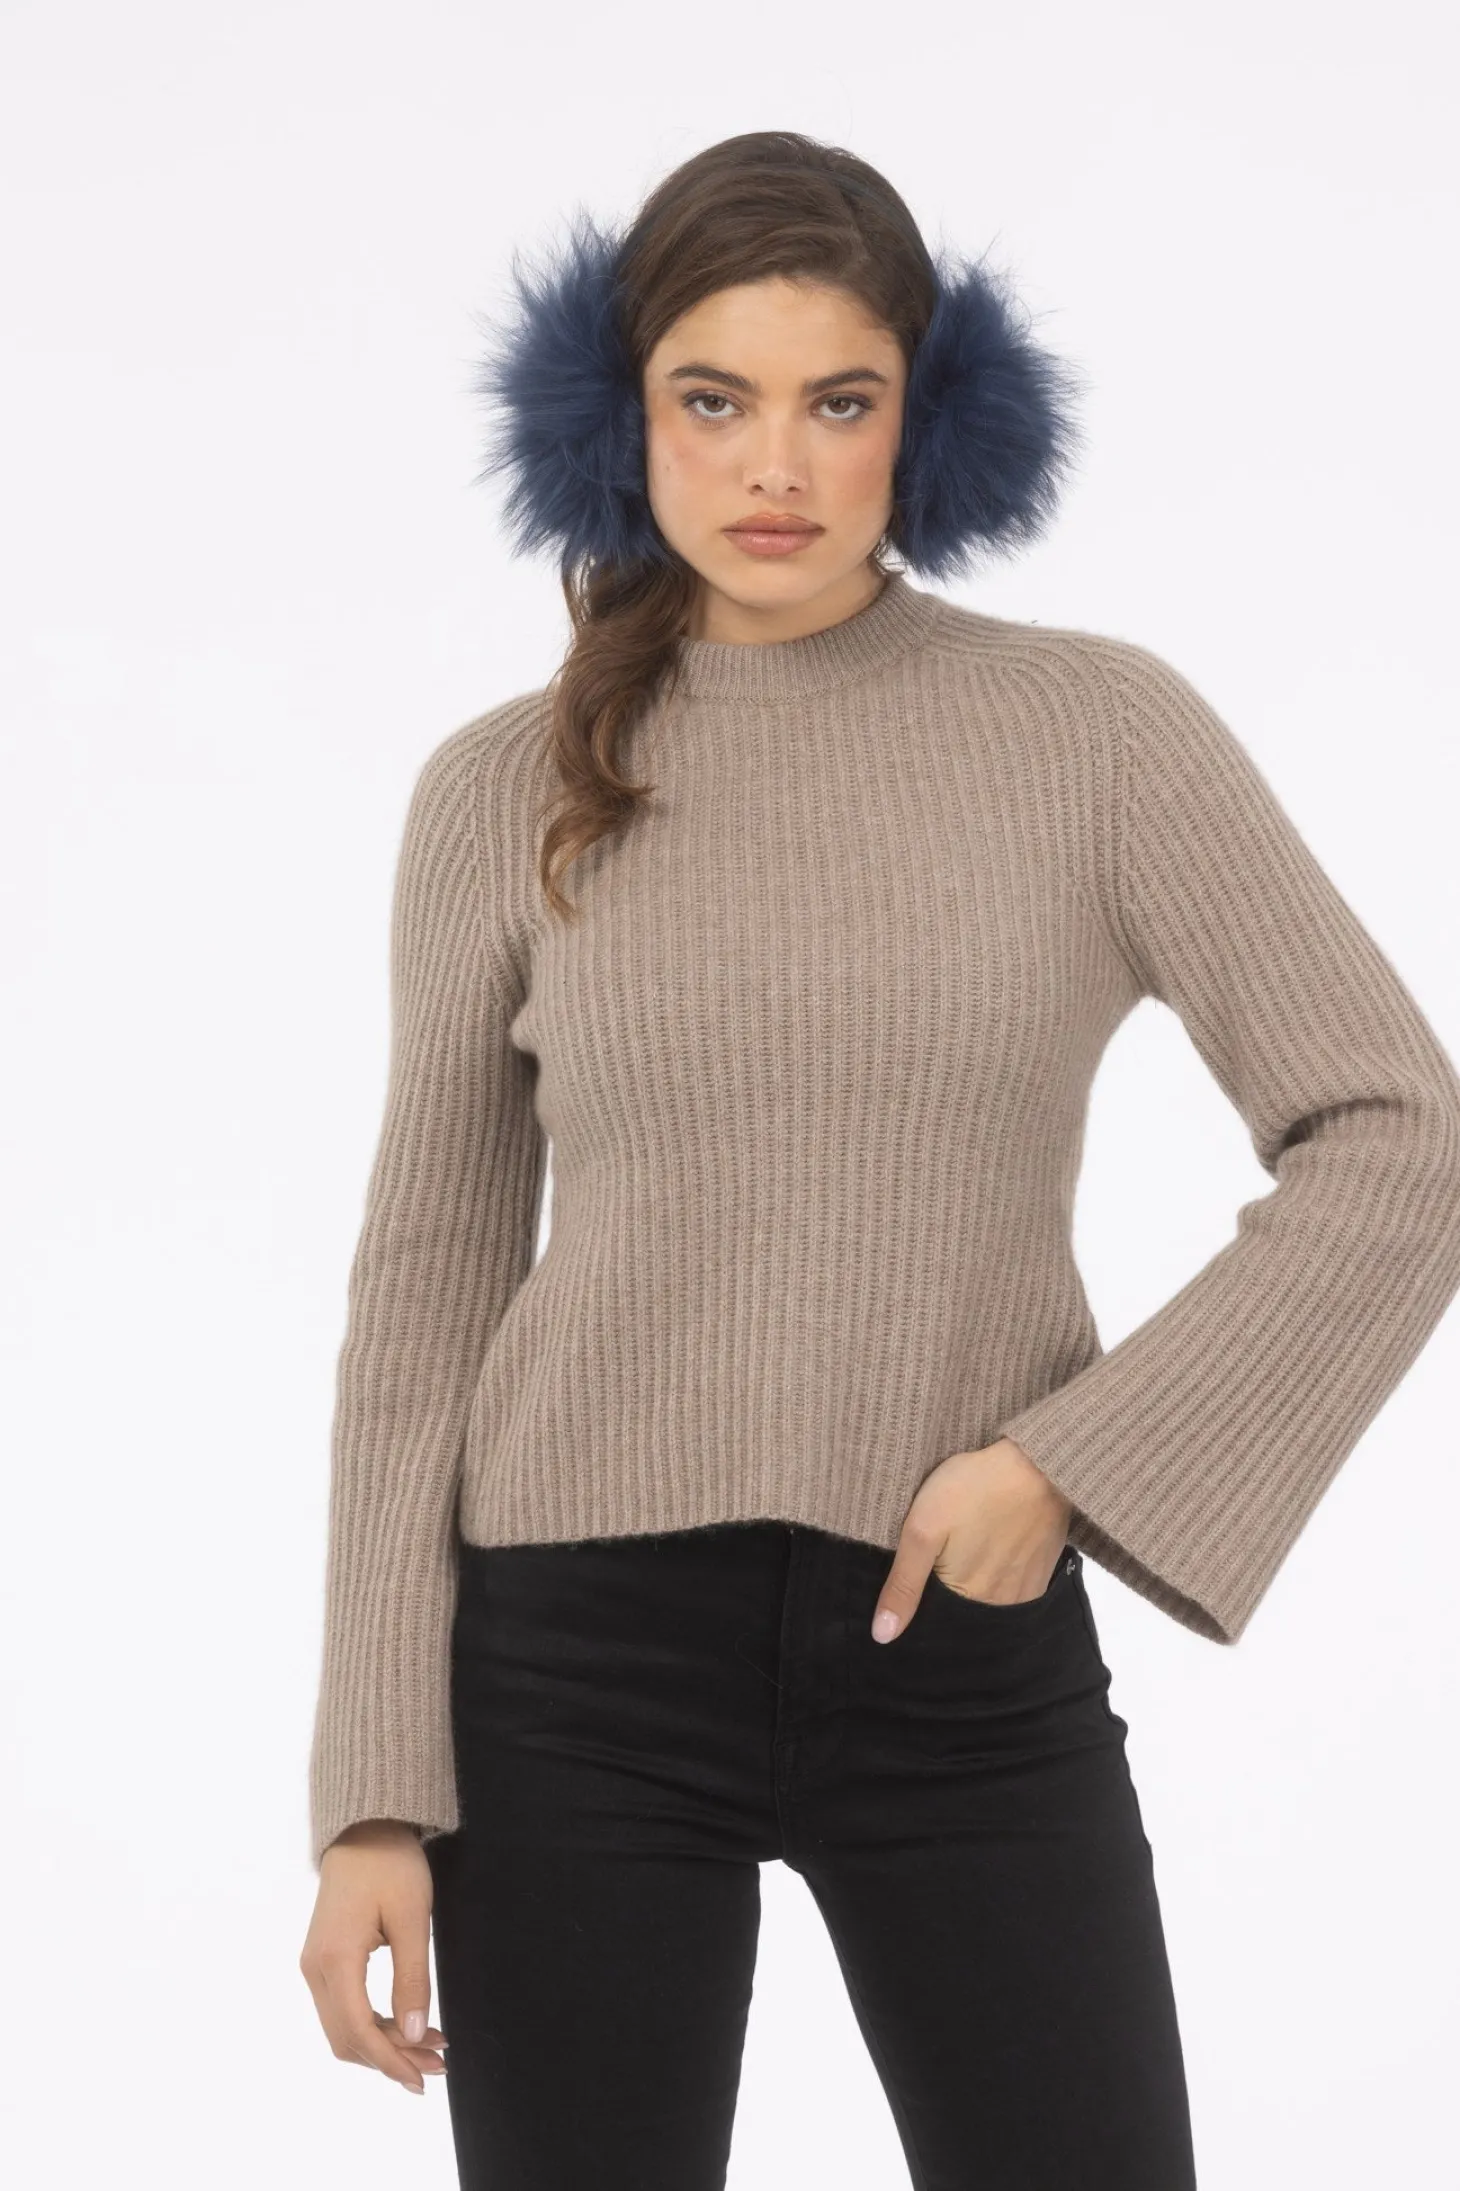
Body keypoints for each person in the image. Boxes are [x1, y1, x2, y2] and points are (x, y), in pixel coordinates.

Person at [299, 131, 1460, 2189]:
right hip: (567, 1676)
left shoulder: (1097, 736)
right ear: (618, 414)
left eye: (840, 402)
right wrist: (372, 1788)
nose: (777, 467)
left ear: (928, 417)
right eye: (712, 399)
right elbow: (425, 1297)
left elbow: (1401, 1133)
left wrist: (1072, 1467)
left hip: (958, 1643)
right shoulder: (501, 788)